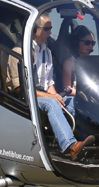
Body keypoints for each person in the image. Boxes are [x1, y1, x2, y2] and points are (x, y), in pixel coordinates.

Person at [32, 13, 93, 160]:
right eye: (46, 29)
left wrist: (56, 95)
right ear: (35, 30)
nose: (50, 32)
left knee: (73, 102)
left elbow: (49, 84)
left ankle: (86, 141)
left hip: (45, 95)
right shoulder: (25, 51)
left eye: (50, 28)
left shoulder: (46, 52)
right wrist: (52, 97)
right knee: (53, 102)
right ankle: (70, 146)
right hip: (31, 96)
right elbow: (24, 88)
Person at [59, 24, 95, 117]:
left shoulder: (93, 62)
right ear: (76, 43)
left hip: (93, 99)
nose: (90, 46)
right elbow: (67, 89)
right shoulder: (69, 63)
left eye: (92, 43)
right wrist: (85, 94)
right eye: (87, 42)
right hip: (77, 99)